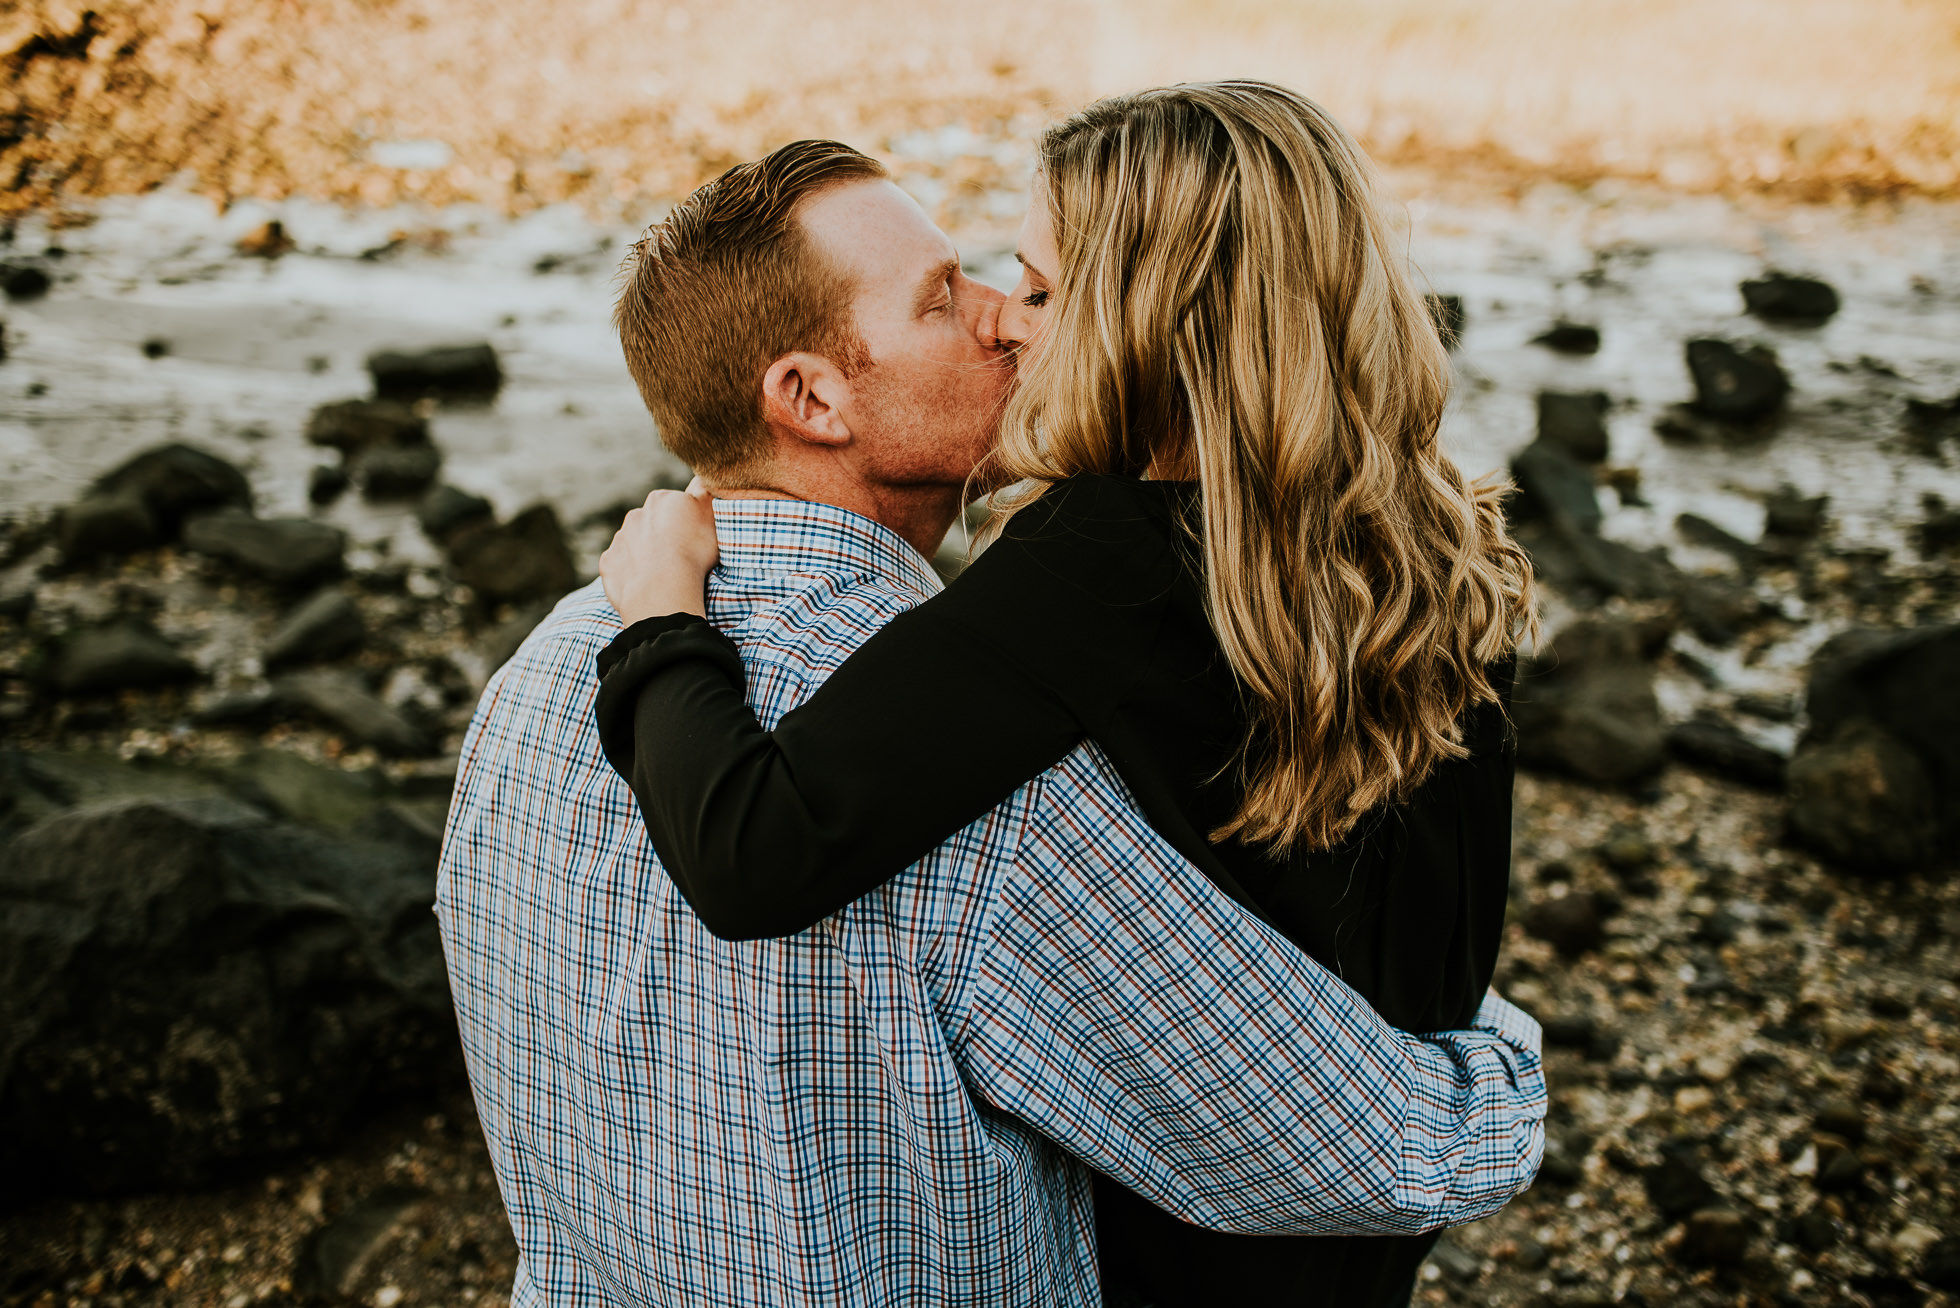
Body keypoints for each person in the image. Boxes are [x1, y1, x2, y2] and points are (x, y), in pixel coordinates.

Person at [437, 134, 1545, 1308]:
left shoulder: (537, 678)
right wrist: (1500, 1082)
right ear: (809, 396)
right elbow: (1348, 1145)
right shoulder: (998, 789)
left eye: (1019, 282)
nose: (1001, 319)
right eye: (942, 295)